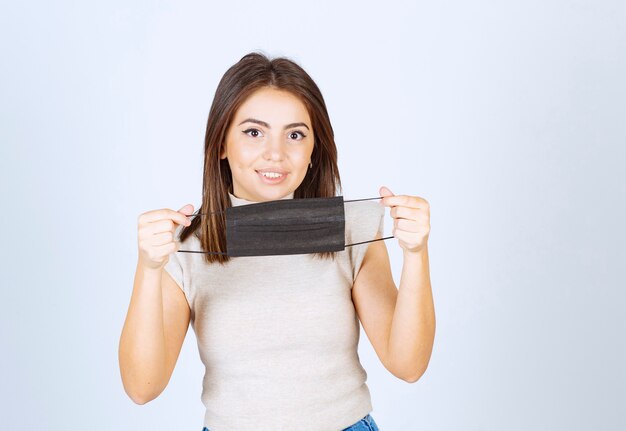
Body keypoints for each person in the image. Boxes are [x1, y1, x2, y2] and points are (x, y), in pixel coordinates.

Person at [119, 51, 435, 431]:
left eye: (295, 135)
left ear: (314, 148)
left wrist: (416, 254)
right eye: (254, 132)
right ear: (221, 143)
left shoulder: (352, 231)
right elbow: (142, 388)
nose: (275, 154)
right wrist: (148, 267)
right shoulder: (184, 246)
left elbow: (408, 365)